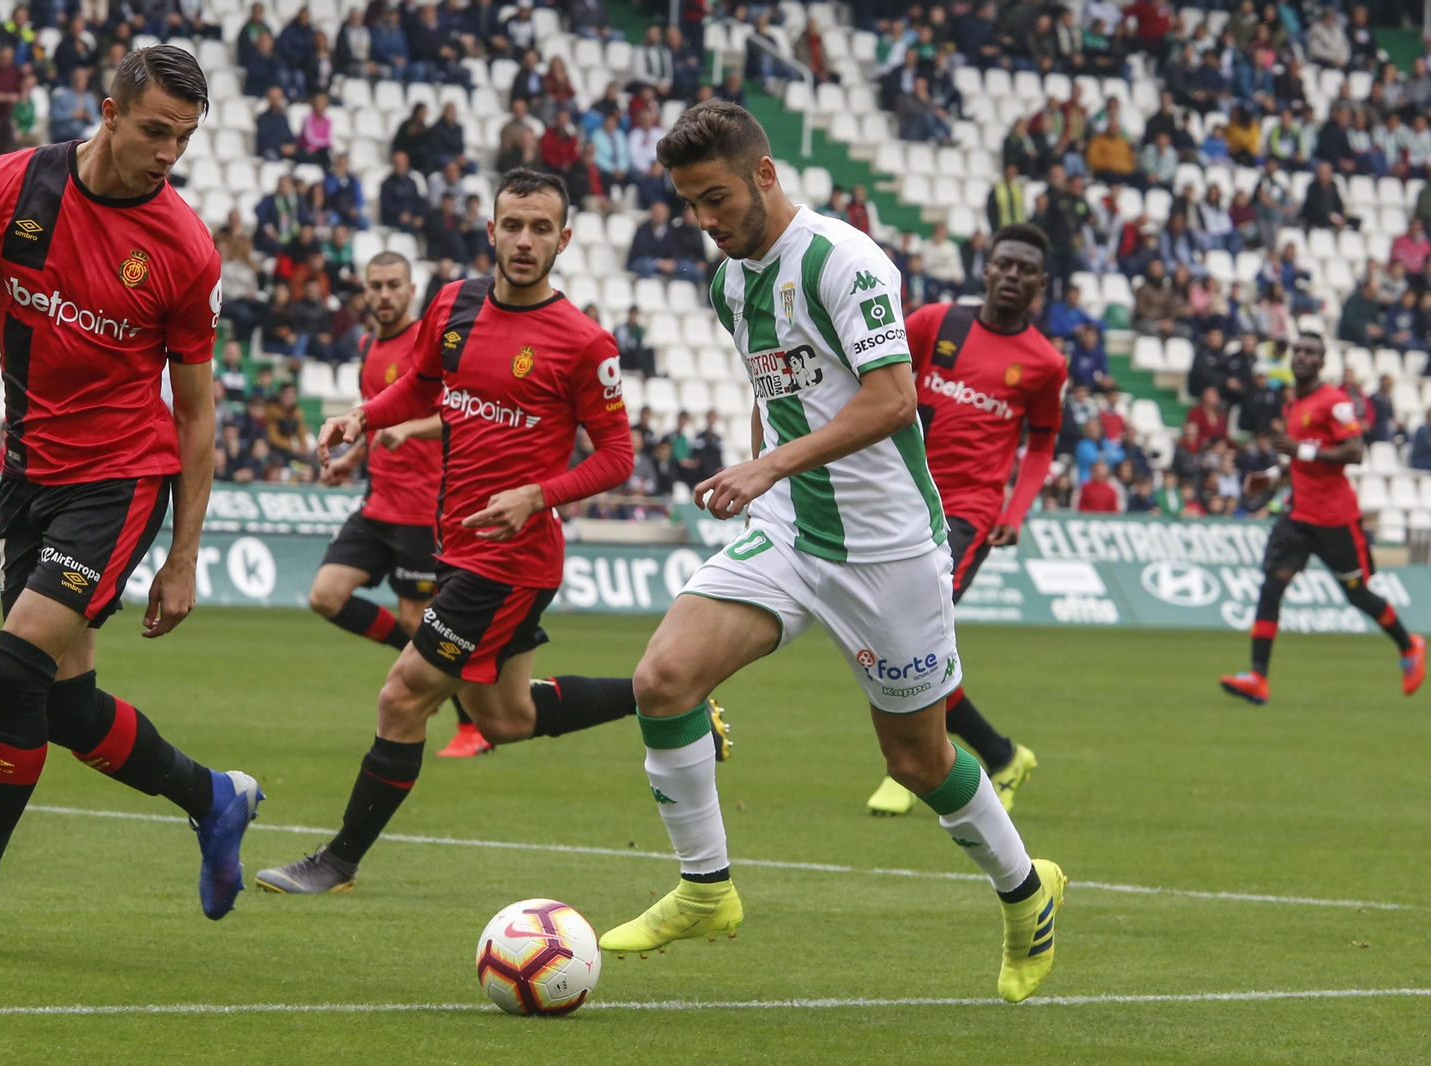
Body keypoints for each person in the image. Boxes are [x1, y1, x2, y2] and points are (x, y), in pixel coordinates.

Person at [597, 102, 1064, 1004]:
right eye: (691, 203)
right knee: (664, 680)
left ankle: (1025, 888)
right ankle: (706, 890)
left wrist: (767, 464)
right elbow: (775, 395)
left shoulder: (844, 262)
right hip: (786, 532)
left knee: (917, 762)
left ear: (765, 176)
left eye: (717, 198)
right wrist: (763, 478)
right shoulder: (729, 280)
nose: (704, 220)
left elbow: (893, 401)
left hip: (885, 549)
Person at [0, 46, 263, 950]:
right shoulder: (9, 189)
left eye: (185, 138)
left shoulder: (183, 249)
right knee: (62, 707)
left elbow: (197, 415)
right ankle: (215, 798)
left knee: (15, 667)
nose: (169, 152)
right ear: (109, 111)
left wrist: (183, 556)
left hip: (121, 480)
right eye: (155, 131)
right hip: (32, 473)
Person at [255, 169, 726, 895]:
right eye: (514, 225)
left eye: (542, 228)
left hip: (509, 561)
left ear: (564, 239)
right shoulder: (454, 302)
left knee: (402, 696)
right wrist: (363, 418)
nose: (526, 241)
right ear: (491, 230)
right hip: (458, 546)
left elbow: (618, 458)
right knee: (506, 717)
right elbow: (420, 384)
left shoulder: (583, 343)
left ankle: (338, 862)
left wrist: (539, 495)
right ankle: (667, 694)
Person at [862, 222, 1064, 822]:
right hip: (900, 500)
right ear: (987, 266)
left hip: (969, 515)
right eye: (1004, 263)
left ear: (1040, 283)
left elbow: (1043, 445)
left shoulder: (1046, 364)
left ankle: (914, 766)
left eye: (1025, 269)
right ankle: (1001, 755)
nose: (1012, 276)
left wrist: (1015, 510)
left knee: (913, 634)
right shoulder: (934, 323)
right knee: (886, 635)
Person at [294, 251, 499, 755]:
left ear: (411, 291)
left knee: (418, 619)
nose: (384, 295)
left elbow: (459, 413)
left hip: (423, 510)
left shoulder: (426, 345)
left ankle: (473, 725)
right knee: (326, 595)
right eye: (375, 286)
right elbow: (379, 418)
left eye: (393, 285)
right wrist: (351, 459)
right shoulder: (368, 345)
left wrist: (412, 428)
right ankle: (418, 657)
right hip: (377, 503)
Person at [1221, 333, 1425, 706]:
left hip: (1334, 519)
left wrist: (1303, 449)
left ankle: (1409, 645)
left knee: (1357, 594)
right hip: (1298, 515)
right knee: (1272, 586)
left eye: (1310, 353)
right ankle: (1257, 677)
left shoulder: (1334, 401)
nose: (1301, 357)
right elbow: (1297, 461)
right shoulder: (1293, 406)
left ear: (1321, 362)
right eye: (1298, 351)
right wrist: (1269, 477)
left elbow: (1355, 451)